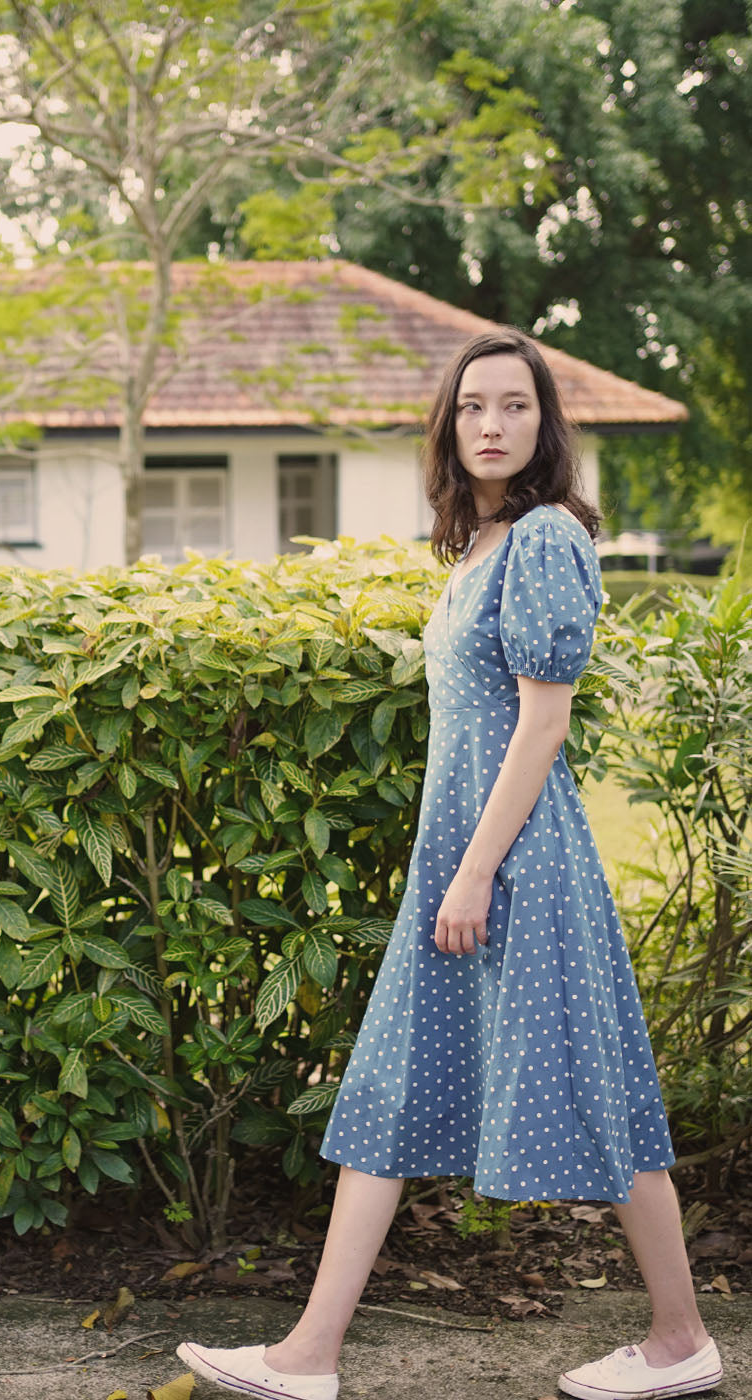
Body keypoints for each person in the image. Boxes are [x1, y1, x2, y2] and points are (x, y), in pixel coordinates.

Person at [176, 329, 722, 1400]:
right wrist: (454, 867)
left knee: (601, 1089)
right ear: (447, 423)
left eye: (514, 406)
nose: (490, 424)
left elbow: (541, 724)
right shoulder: (475, 545)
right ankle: (310, 1352)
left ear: (543, 423)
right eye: (473, 405)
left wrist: (474, 872)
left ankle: (678, 1337)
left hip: (515, 864)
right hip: (460, 858)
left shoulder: (545, 539)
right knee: (386, 1087)